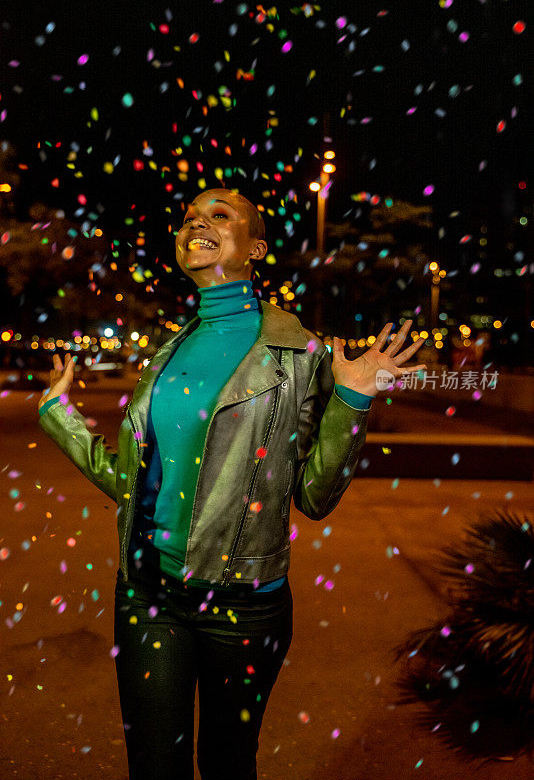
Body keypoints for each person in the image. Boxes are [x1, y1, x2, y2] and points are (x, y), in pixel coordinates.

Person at [38, 188, 426, 780]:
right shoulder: (166, 355)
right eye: (191, 215)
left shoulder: (300, 355)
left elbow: (316, 496)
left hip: (244, 605)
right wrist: (58, 416)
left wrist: (353, 398)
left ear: (255, 248)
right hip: (146, 594)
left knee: (226, 764)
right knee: (152, 765)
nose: (197, 221)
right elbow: (130, 484)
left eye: (220, 215)